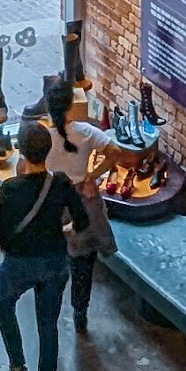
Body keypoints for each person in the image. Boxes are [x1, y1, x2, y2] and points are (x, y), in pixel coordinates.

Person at [0, 119, 89, 371]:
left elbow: (3, 240)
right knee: (48, 325)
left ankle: (17, 366)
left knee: (3, 304)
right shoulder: (60, 183)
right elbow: (81, 222)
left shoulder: (10, 189)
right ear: (48, 150)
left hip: (19, 265)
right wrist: (62, 231)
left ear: (20, 151)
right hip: (54, 263)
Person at [38, 80, 110, 335]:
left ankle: (47, 312)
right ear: (70, 106)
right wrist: (92, 176)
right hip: (81, 199)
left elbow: (25, 168)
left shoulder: (41, 136)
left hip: (52, 203)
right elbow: (115, 152)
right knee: (82, 262)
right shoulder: (86, 131)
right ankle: (80, 311)